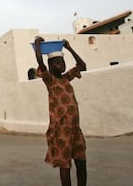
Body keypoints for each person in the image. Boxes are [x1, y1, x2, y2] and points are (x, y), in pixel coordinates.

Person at [34, 36, 87, 186]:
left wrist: (69, 48)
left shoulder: (66, 78)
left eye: (63, 62)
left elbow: (82, 65)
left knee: (81, 161)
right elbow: (40, 62)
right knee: (65, 165)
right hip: (61, 131)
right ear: (50, 66)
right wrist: (38, 44)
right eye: (58, 63)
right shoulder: (50, 80)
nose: (62, 65)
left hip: (76, 130)